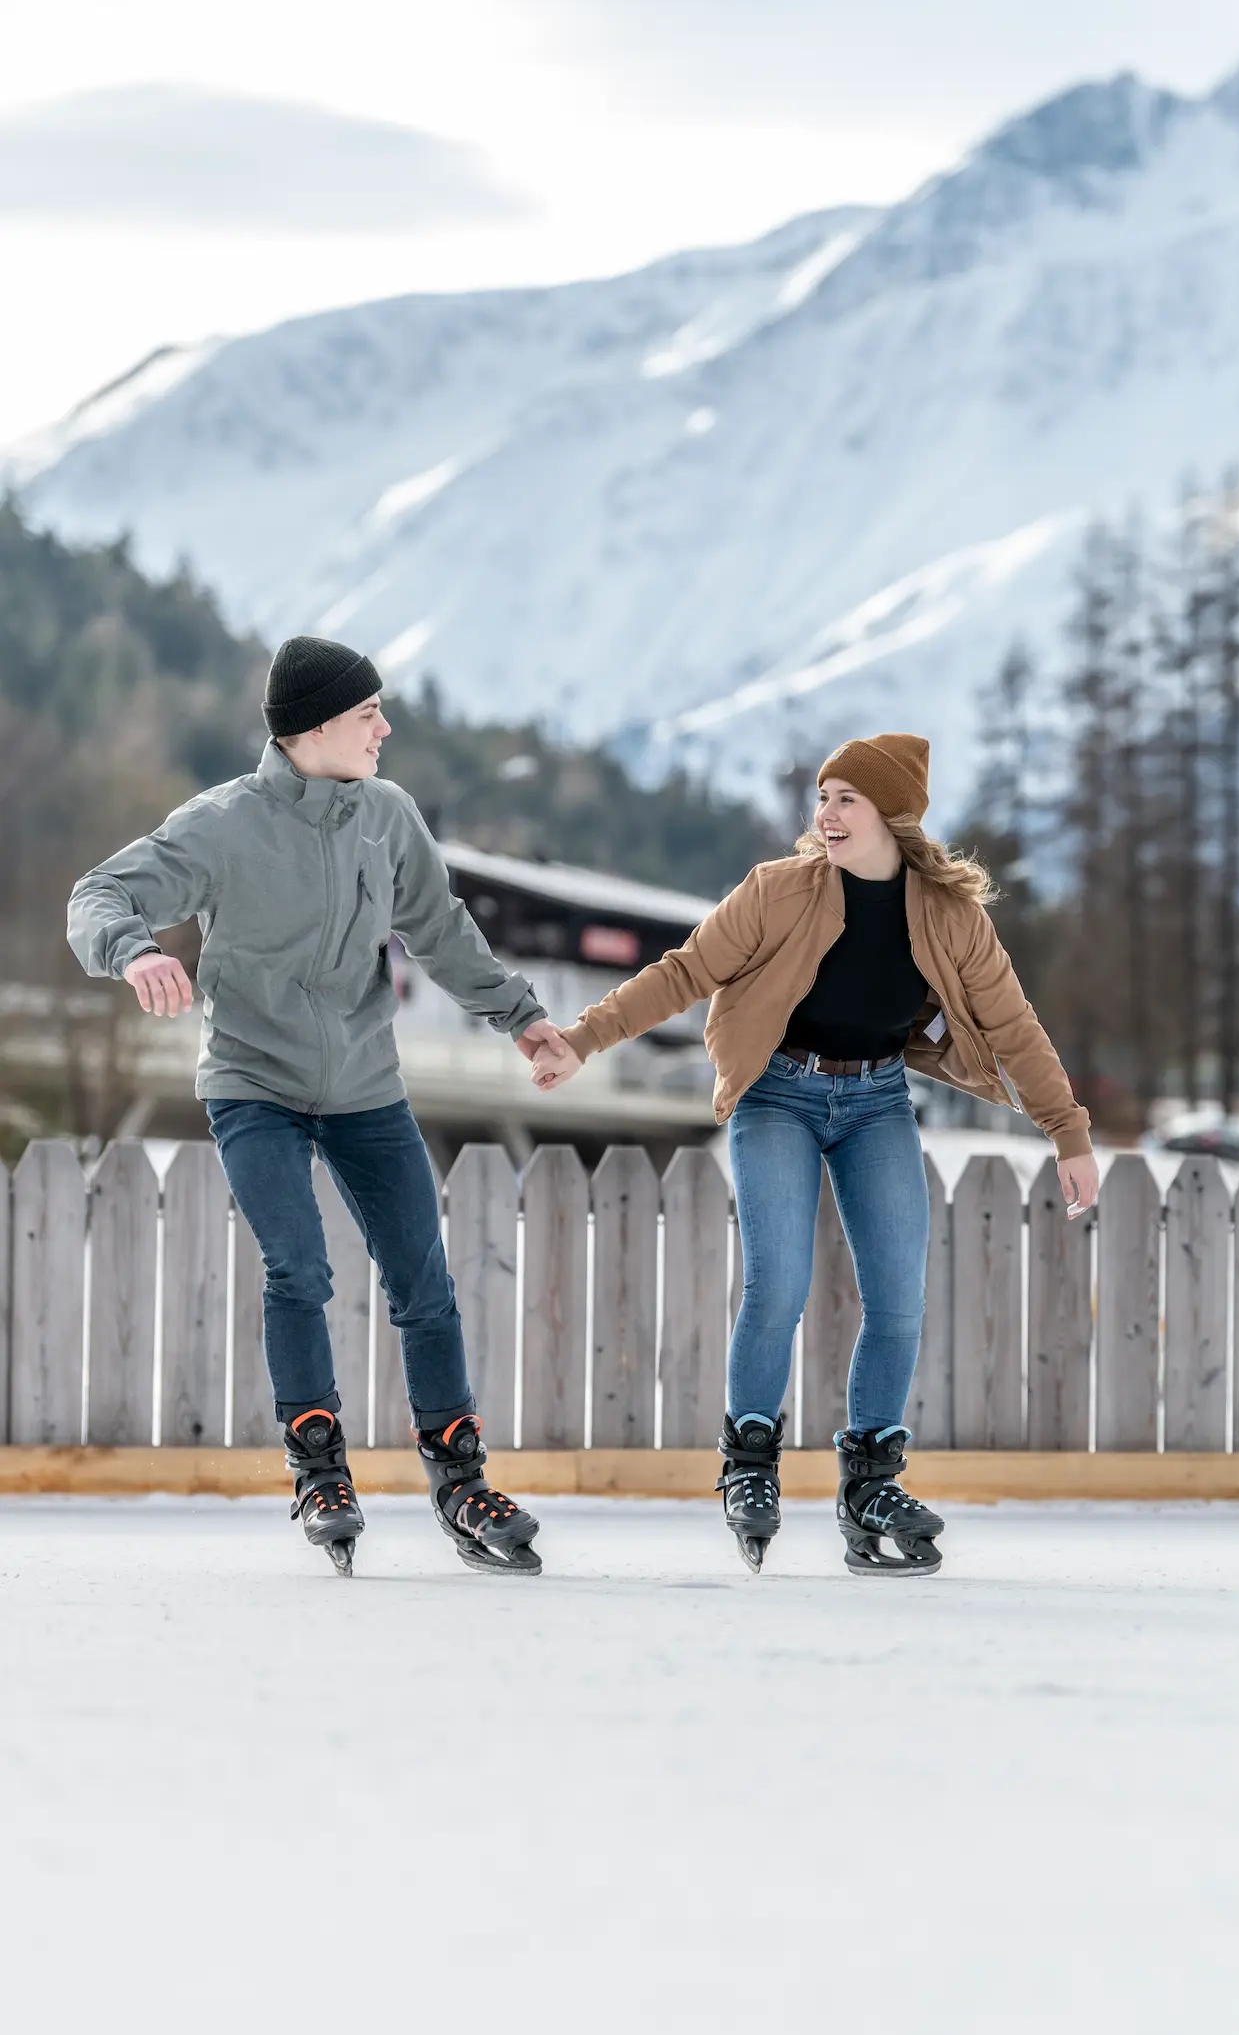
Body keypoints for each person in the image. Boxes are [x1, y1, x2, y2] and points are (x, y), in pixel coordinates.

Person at [529, 732, 1098, 1577]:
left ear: (891, 816)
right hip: (777, 1096)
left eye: (846, 800)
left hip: (876, 1103)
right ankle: (750, 1463)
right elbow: (685, 972)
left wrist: (1068, 1132)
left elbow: (1014, 1028)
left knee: (900, 1297)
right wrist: (582, 1040)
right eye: (823, 797)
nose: (825, 815)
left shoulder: (950, 919)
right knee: (779, 1283)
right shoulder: (778, 891)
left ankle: (871, 1479)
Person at [67, 634, 566, 1578]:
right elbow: (99, 894)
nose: (386, 727)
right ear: (317, 726)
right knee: (298, 1267)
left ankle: (460, 1482)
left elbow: (440, 927)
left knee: (424, 1279)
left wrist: (520, 1017)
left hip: (367, 1089)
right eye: (369, 712)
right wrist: (135, 950)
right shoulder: (223, 824)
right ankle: (319, 1467)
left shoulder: (388, 815)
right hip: (254, 1083)